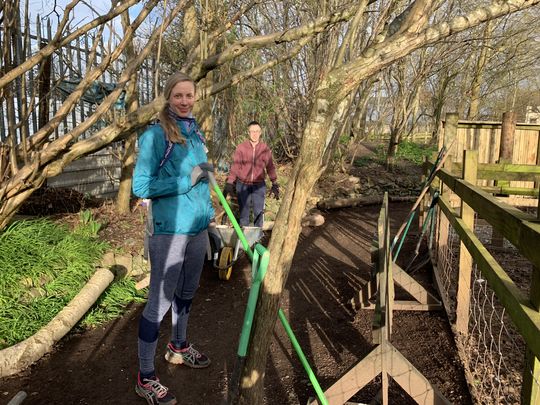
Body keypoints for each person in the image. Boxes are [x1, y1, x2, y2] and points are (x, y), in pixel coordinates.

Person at [132, 72, 214, 405]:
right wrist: (186, 182)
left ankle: (178, 346)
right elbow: (141, 187)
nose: (184, 101)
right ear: (168, 97)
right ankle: (145, 376)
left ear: (196, 97)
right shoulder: (154, 135)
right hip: (168, 231)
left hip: (197, 228)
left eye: (189, 95)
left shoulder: (195, 132)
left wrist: (207, 209)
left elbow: (199, 179)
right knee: (160, 303)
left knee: (187, 291)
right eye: (178, 96)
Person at [223, 120, 279, 227]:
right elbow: (235, 166)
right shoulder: (241, 147)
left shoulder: (264, 149)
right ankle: (244, 240)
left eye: (257, 131)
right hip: (243, 185)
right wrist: (230, 182)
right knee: (244, 213)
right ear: (248, 133)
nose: (255, 134)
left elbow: (270, 167)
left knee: (259, 213)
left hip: (259, 185)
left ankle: (257, 239)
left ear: (261, 132)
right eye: (252, 131)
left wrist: (274, 182)